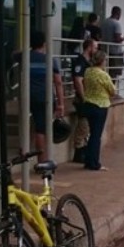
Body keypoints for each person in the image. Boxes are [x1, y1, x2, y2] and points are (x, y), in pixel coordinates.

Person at [28, 30, 65, 162]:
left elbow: (13, 54)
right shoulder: (49, 60)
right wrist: (61, 103)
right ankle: (42, 160)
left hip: (28, 97)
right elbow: (58, 82)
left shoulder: (25, 56)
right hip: (45, 97)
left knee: (36, 126)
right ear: (44, 43)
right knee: (42, 129)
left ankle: (30, 153)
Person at [83, 50, 117, 171]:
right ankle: (94, 163)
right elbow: (113, 91)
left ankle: (88, 160)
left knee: (92, 133)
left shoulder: (88, 71)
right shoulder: (103, 75)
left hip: (88, 103)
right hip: (100, 105)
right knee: (96, 135)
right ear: (102, 61)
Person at [71, 38, 97, 163]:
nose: (96, 50)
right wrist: (83, 97)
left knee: (87, 126)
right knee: (83, 125)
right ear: (89, 48)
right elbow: (78, 80)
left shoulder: (89, 62)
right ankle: (79, 151)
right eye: (95, 48)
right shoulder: (80, 62)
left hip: (89, 98)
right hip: (83, 99)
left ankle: (82, 149)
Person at [100, 6, 124, 78]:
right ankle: (112, 88)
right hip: (115, 52)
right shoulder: (116, 24)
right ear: (118, 13)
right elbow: (117, 39)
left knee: (105, 71)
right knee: (114, 73)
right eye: (120, 14)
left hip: (104, 50)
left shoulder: (104, 22)